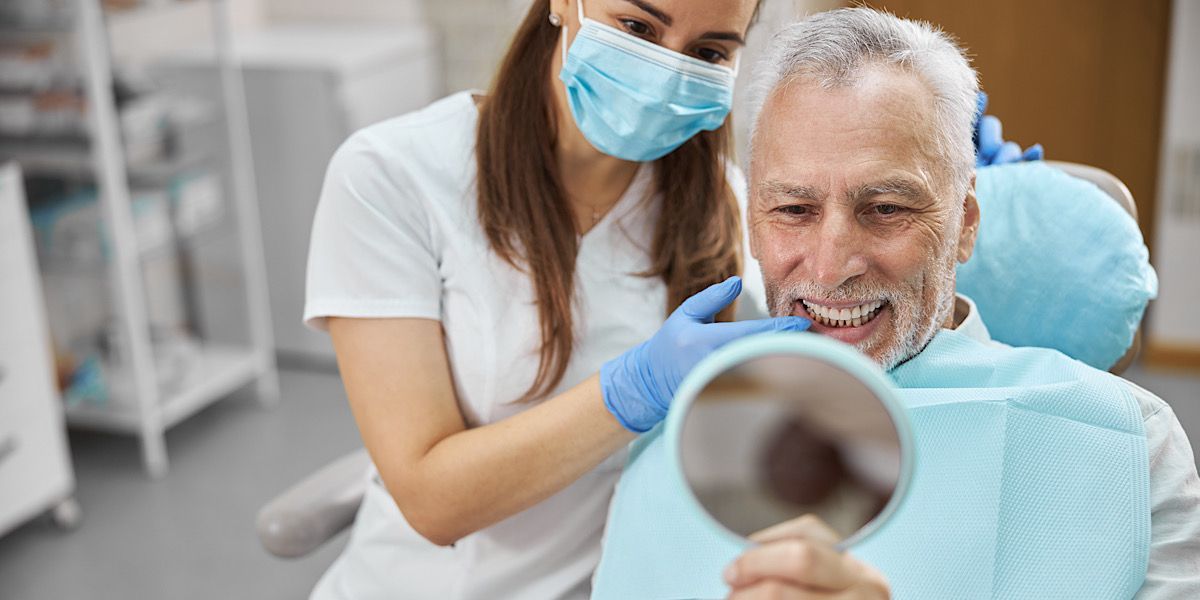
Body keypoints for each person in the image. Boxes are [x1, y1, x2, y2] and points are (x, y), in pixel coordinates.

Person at [303, 1, 1034, 597]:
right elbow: (432, 501)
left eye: (711, 51)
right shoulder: (392, 178)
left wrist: (943, 178)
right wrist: (632, 390)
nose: (667, 68)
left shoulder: (728, 204)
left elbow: (850, 338)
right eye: (639, 28)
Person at [591, 8, 1200, 600]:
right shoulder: (674, 444)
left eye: (886, 209)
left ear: (964, 222)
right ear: (753, 226)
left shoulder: (1127, 444)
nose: (831, 268)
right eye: (794, 211)